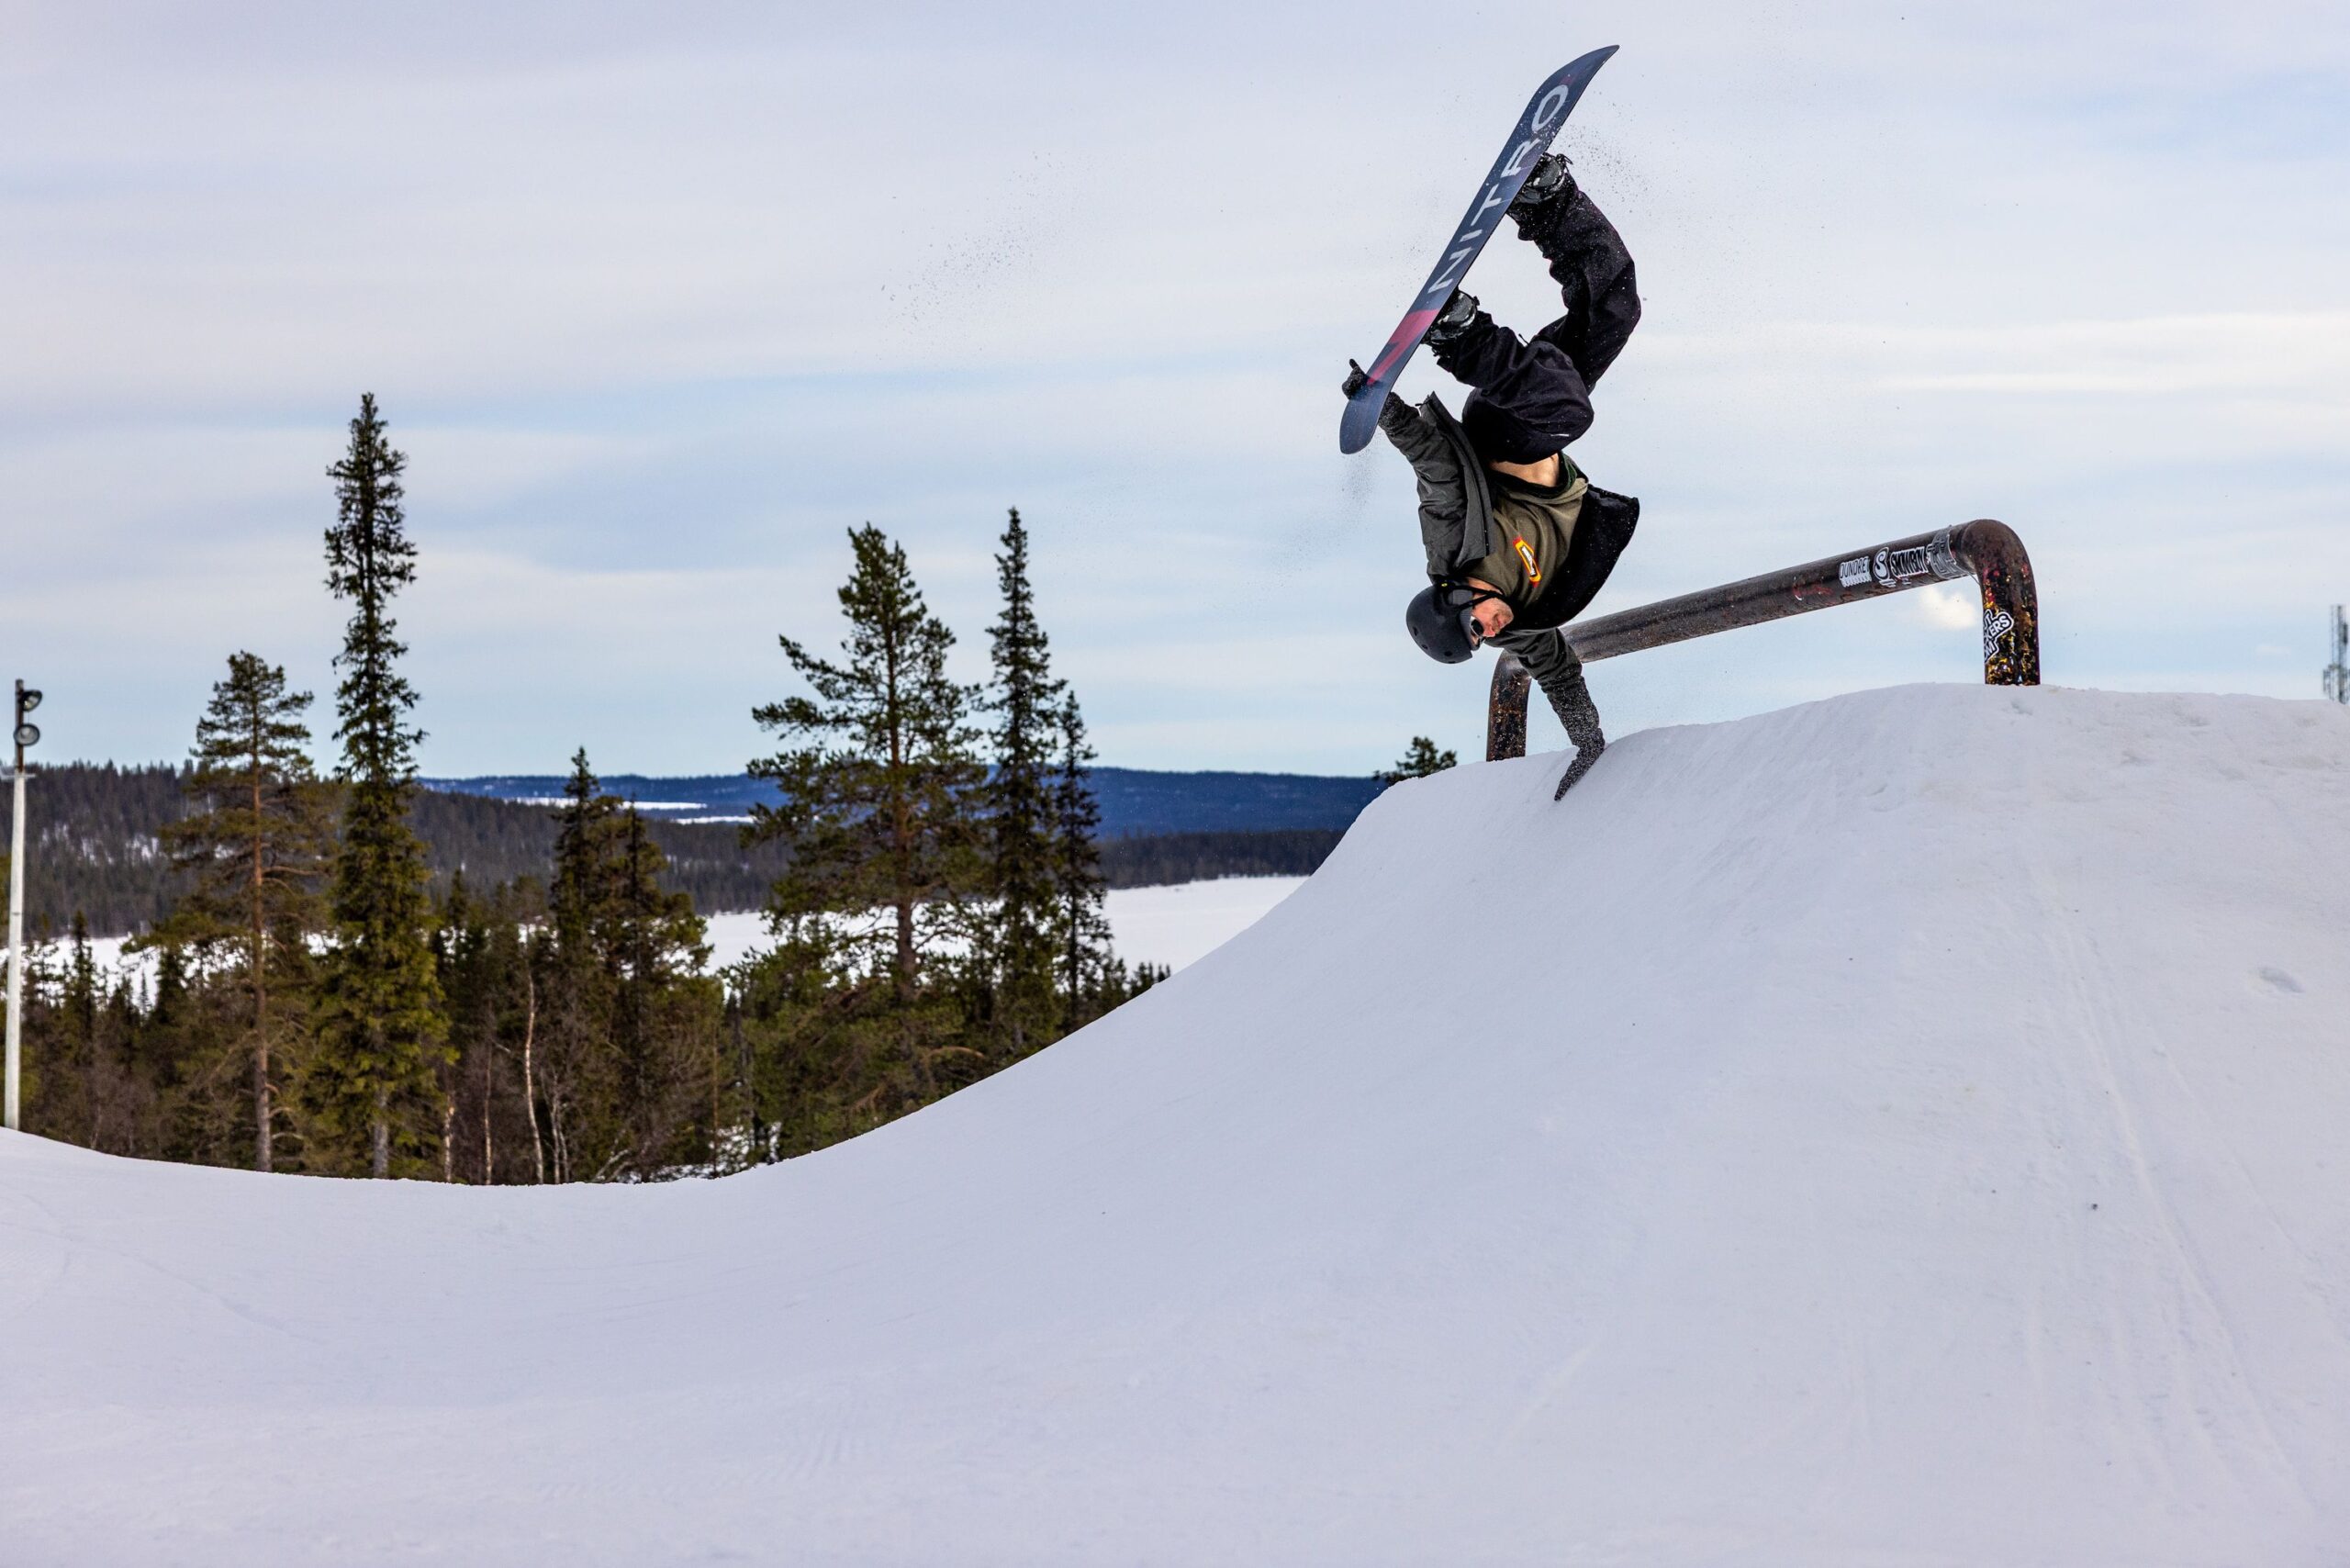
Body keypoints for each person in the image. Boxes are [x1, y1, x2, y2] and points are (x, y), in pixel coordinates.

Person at [1344, 153, 1642, 798]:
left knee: (1568, 410)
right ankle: (1548, 200)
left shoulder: (1454, 545)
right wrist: (1590, 746)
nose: (1493, 629)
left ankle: (1461, 337)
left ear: (1458, 598)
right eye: (1485, 639)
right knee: (1614, 311)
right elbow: (1560, 676)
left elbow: (1436, 467)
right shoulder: (1526, 624)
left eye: (1476, 624)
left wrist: (1387, 410)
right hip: (1542, 414)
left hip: (1505, 424)